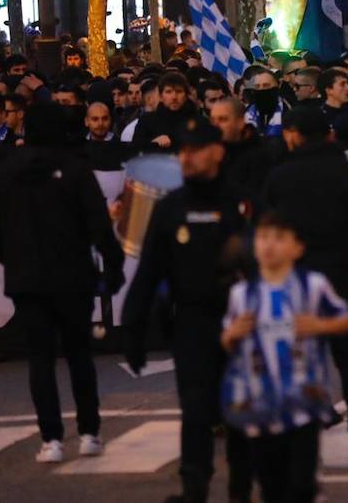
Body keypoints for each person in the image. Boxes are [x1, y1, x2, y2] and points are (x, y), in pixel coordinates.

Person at [0, 104, 124, 463]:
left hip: (27, 278)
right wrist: (113, 264)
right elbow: (97, 224)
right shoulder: (75, 168)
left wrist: (7, 258)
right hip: (73, 275)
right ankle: (89, 431)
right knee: (78, 356)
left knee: (40, 360)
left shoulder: (8, 171)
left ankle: (51, 438)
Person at [122, 117, 250, 503]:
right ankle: (194, 487)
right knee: (195, 409)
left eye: (195, 150)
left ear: (218, 152)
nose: (187, 158)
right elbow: (149, 269)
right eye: (183, 151)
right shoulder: (172, 207)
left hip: (239, 321)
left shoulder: (238, 201)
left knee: (239, 412)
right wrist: (133, 327)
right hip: (192, 320)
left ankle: (241, 489)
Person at [259, 106, 348, 458]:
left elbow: (265, 235)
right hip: (340, 276)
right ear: (329, 134)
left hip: (295, 281)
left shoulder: (280, 178)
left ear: (295, 134)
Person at [221, 210, 348, 503]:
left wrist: (321, 325)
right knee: (270, 487)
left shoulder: (313, 286)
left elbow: (347, 319)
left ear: (297, 248)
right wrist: (232, 334)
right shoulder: (242, 294)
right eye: (263, 238)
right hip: (260, 405)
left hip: (303, 404)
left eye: (279, 238)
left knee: (300, 485)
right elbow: (227, 341)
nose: (269, 245)